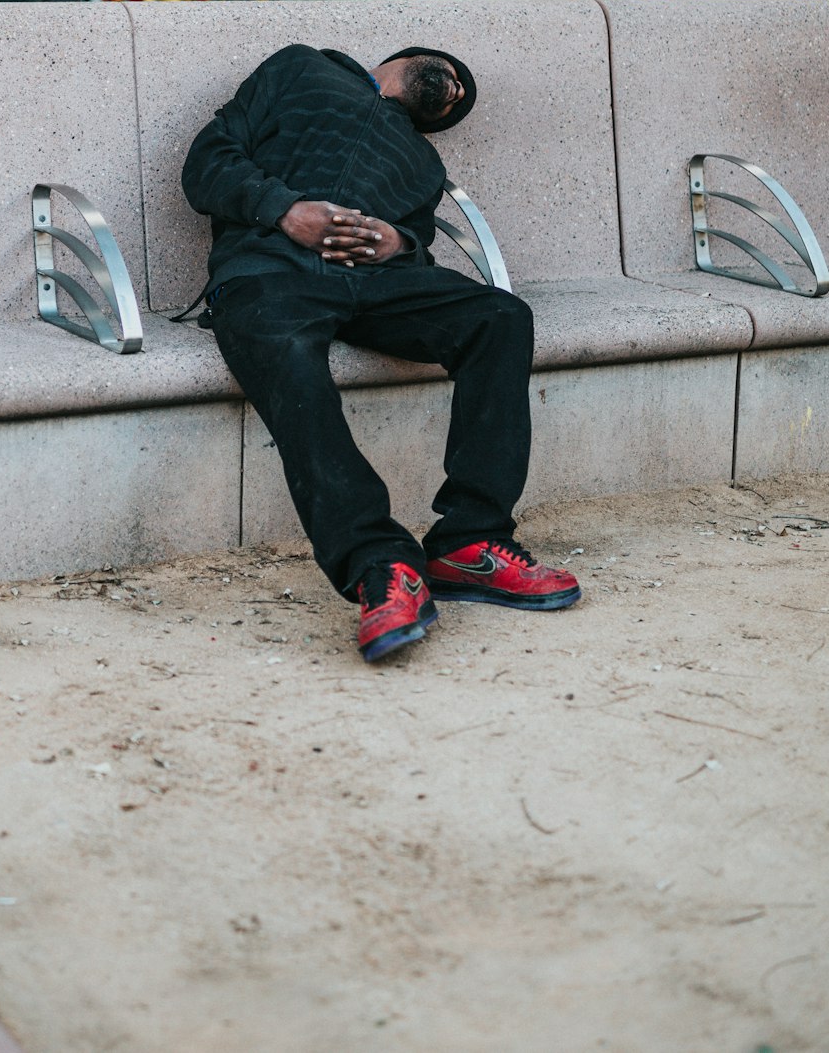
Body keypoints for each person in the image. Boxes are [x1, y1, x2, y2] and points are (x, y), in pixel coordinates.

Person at [181, 43, 581, 663]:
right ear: (415, 57)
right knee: (288, 354)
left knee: (500, 318)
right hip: (269, 271)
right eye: (454, 78)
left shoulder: (422, 163)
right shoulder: (299, 69)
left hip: (374, 284)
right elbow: (206, 163)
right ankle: (380, 565)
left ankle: (469, 542)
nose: (456, 93)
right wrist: (286, 211)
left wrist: (398, 243)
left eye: (458, 106)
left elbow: (419, 239)